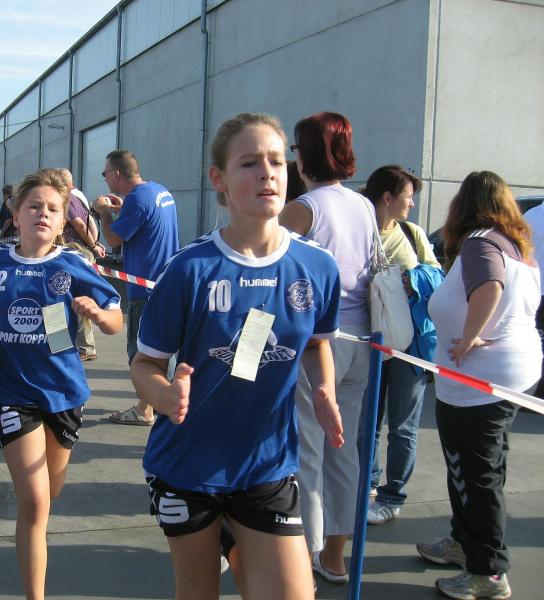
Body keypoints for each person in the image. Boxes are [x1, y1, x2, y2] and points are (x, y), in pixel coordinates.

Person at [130, 113, 343, 600]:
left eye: (276, 161)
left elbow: (316, 344)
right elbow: (143, 365)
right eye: (249, 163)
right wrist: (164, 396)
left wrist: (325, 390)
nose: (267, 173)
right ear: (219, 179)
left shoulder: (317, 267)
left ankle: (238, 539)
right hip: (189, 466)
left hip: (266, 465)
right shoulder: (190, 269)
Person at [0, 168, 123, 600]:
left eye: (53, 209)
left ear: (62, 223)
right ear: (16, 215)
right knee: (35, 503)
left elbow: (115, 320)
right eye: (33, 206)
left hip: (64, 393)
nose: (42, 213)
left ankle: (33, 524)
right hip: (12, 393)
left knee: (48, 497)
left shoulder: (72, 265)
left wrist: (98, 314)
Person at [417, 171, 540, 600]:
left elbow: (489, 287)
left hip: (478, 380)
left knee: (473, 472)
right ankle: (464, 542)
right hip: (508, 375)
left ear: (463, 205)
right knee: (484, 467)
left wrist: (470, 336)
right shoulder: (517, 247)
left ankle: (487, 571)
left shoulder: (480, 242)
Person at [279, 111, 374, 583]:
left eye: (295, 149)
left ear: (307, 154)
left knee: (308, 451)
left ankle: (304, 559)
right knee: (345, 449)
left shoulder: (303, 209)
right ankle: (334, 556)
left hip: (318, 344)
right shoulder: (364, 206)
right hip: (362, 340)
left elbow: (267, 267)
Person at [358, 165, 445, 525]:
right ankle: (367, 486)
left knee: (403, 426)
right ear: (387, 197)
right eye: (407, 197)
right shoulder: (358, 231)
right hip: (368, 341)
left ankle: (392, 496)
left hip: (410, 346)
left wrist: (414, 278)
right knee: (366, 422)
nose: (411, 204)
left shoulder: (412, 233)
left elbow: (437, 275)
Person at [92, 149, 179, 425]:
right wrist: (122, 208)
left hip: (144, 289)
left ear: (116, 174)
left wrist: (103, 212)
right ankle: (151, 406)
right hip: (165, 283)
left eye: (105, 173)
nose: (104, 178)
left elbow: (113, 239)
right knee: (162, 348)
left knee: (141, 354)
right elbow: (147, 223)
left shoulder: (137, 200)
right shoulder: (158, 191)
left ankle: (150, 409)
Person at [58, 168, 106, 361]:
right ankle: (68, 346)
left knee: (64, 299)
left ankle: (72, 348)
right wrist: (93, 244)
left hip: (73, 253)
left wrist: (93, 245)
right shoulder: (77, 197)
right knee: (70, 299)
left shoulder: (66, 199)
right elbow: (88, 223)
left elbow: (79, 224)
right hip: (76, 252)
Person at [523, 201, 544, 398]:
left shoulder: (530, 216)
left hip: (533, 288)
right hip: (536, 289)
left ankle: (534, 392)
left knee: (536, 342)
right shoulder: (531, 216)